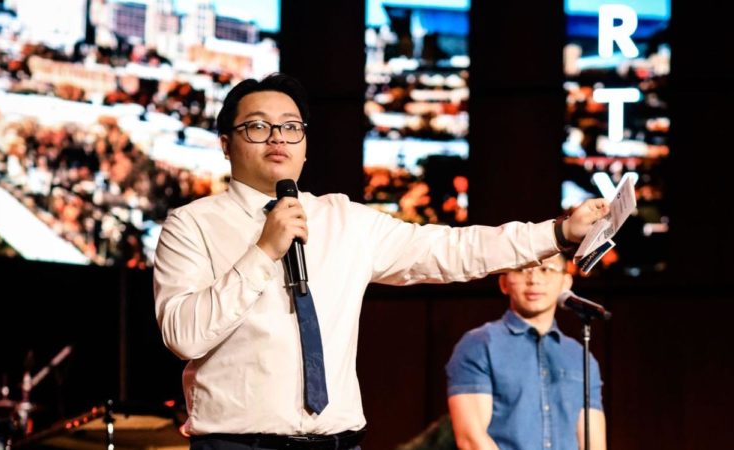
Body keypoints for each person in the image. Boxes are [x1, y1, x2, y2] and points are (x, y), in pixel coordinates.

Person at [152, 73, 609, 450]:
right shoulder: (191, 225)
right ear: (226, 143)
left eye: (291, 127)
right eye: (257, 126)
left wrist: (557, 233)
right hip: (238, 445)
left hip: (338, 441)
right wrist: (262, 252)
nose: (278, 138)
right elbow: (183, 336)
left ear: (306, 146)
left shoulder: (343, 219)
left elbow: (452, 250)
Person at [446, 253, 606, 450]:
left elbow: (594, 443)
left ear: (566, 282)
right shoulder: (480, 344)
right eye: (522, 270)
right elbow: (472, 439)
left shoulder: (580, 356)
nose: (534, 280)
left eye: (546, 269)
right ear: (504, 283)